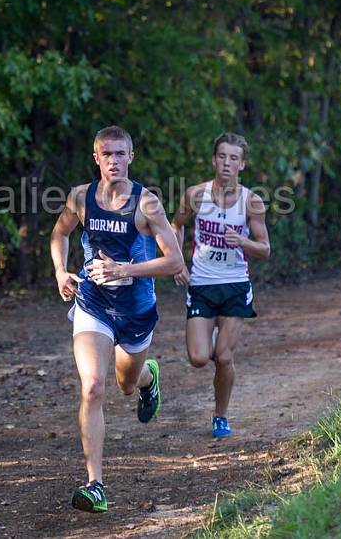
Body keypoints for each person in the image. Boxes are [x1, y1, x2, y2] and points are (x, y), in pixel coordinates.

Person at [50, 125, 184, 513]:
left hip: (136, 310)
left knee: (127, 384)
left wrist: (127, 269)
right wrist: (61, 271)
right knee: (93, 388)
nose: (114, 161)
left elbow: (174, 261)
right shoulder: (80, 198)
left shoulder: (147, 204)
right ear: (97, 159)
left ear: (131, 157)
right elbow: (58, 234)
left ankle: (148, 377)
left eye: (120, 154)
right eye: (106, 154)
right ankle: (96, 484)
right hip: (93, 304)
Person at [172, 132, 270, 438]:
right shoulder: (195, 195)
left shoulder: (251, 201)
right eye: (222, 156)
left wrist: (242, 241)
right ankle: (212, 335)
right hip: (201, 283)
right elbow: (175, 225)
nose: (227, 163)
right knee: (200, 358)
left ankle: (220, 416)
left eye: (234, 158)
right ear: (214, 160)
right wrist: (177, 262)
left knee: (224, 357)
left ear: (242, 165)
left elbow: (265, 248)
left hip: (235, 285)